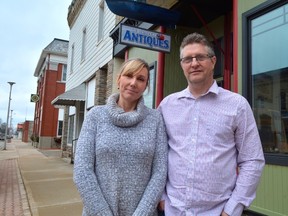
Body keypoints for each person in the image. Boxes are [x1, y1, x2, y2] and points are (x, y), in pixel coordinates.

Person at [158, 32, 265, 216]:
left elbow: (252, 160)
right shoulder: (167, 106)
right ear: (182, 65)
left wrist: (231, 210)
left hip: (217, 212)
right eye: (187, 59)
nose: (194, 63)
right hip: (173, 210)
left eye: (200, 57)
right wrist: (161, 199)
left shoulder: (237, 105)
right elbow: (157, 156)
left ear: (213, 61)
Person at [73, 58, 168, 216]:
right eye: (129, 75)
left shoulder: (155, 119)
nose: (133, 83)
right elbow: (82, 171)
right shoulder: (95, 116)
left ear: (146, 86)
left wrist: (142, 213)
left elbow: (160, 172)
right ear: (118, 79)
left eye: (140, 79)